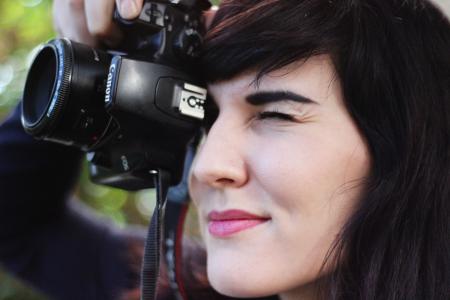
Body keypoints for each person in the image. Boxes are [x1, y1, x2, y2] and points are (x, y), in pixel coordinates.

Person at [0, 1, 449, 300]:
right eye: (206, 117)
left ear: (407, 146)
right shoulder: (165, 285)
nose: (208, 165)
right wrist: (99, 49)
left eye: (275, 115)